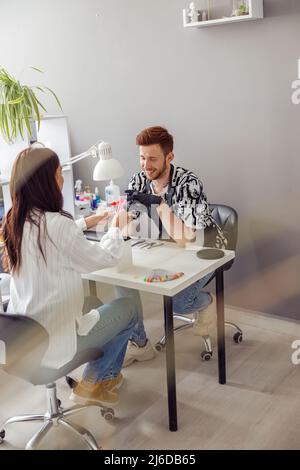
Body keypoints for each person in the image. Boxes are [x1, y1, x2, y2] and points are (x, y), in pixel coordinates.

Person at [1, 146, 138, 405]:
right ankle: (95, 382)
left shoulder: (14, 222)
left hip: (21, 343)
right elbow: (104, 258)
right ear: (46, 182)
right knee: (128, 308)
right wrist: (116, 229)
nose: (62, 179)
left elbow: (50, 234)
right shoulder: (58, 226)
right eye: (57, 173)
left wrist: (87, 222)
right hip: (55, 343)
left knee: (95, 304)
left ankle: (105, 377)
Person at [116, 126, 227, 367]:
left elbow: (185, 238)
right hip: (163, 249)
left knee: (178, 302)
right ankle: (139, 344)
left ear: (169, 157)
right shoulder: (138, 180)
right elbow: (127, 229)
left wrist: (160, 204)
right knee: (120, 278)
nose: (146, 165)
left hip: (204, 250)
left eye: (153, 159)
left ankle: (206, 302)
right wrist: (120, 217)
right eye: (142, 158)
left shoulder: (188, 183)